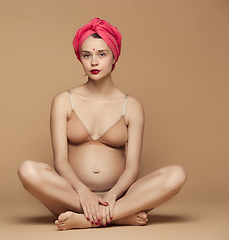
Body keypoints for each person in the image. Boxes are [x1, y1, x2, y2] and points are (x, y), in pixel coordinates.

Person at [17, 17, 187, 231]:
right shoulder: (63, 101)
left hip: (121, 196)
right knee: (28, 171)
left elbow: (133, 166)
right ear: (80, 58)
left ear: (114, 56)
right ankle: (118, 217)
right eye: (87, 55)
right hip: (72, 196)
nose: (94, 62)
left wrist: (113, 196)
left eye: (101, 54)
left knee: (176, 175)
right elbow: (60, 161)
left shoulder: (132, 106)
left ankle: (91, 218)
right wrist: (82, 192)